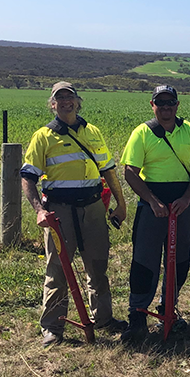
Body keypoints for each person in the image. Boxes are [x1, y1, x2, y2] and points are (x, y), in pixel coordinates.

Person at [20, 81, 128, 347]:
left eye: (70, 97)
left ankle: (103, 318)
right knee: (57, 269)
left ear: (78, 101)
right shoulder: (43, 136)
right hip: (59, 211)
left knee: (97, 265)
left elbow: (108, 170)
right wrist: (39, 211)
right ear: (53, 104)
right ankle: (53, 327)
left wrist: (121, 203)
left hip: (92, 207)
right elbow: (27, 178)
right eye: (60, 98)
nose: (66, 102)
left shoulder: (93, 132)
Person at [120, 85, 190, 343]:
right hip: (152, 207)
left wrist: (186, 199)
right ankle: (137, 316)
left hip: (183, 204)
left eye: (171, 102)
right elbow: (130, 172)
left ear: (178, 105)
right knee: (144, 261)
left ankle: (169, 307)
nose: (166, 107)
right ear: (152, 105)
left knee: (179, 259)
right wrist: (152, 201)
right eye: (161, 103)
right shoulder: (143, 132)